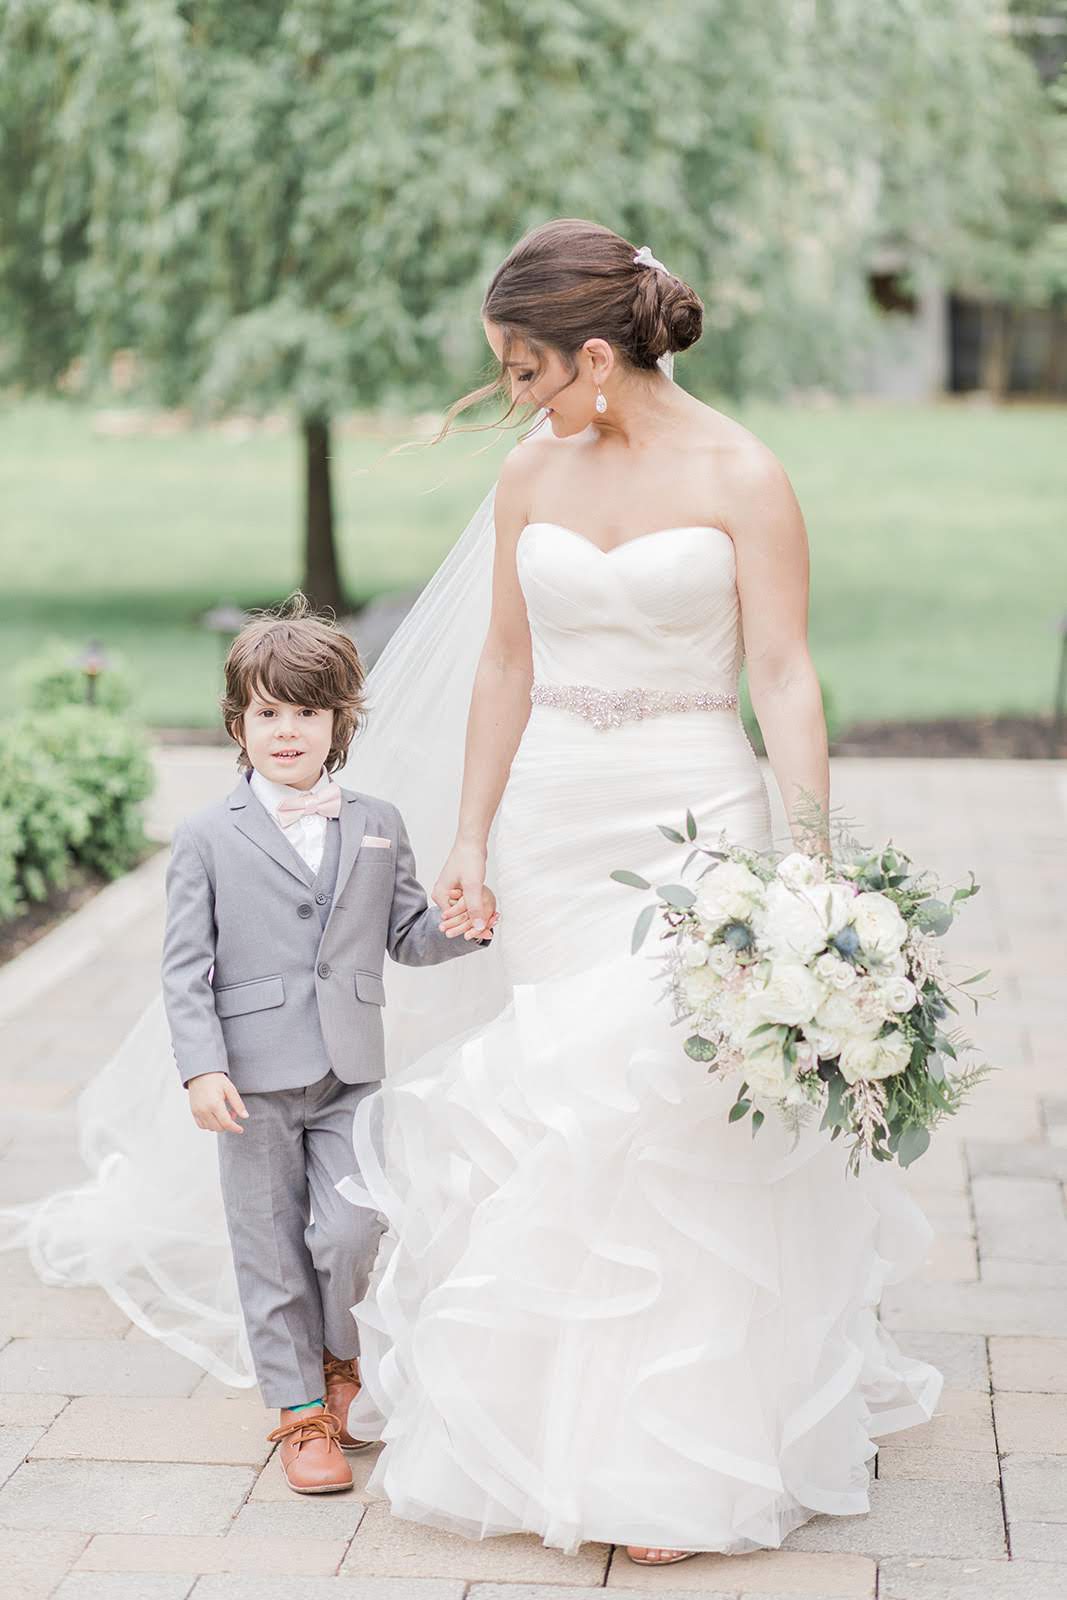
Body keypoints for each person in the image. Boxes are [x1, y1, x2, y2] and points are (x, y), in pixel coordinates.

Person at [336, 219, 942, 1562]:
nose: (514, 396)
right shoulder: (529, 482)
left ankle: (676, 1447)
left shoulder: (741, 472)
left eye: (520, 369)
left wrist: (808, 856)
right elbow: (502, 662)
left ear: (594, 356)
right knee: (560, 1105)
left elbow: (780, 672)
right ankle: (556, 1417)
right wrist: (471, 835)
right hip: (554, 827)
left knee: (658, 1084)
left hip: (687, 832)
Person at [161, 600, 497, 1493]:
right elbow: (184, 968)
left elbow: (408, 936)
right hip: (251, 1078)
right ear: (239, 723)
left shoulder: (377, 821)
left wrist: (464, 925)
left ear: (339, 723)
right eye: (267, 712)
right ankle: (299, 1411)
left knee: (350, 1228)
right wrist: (201, 1067)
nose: (286, 731)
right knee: (268, 1243)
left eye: (306, 713)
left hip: (350, 1071)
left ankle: (342, 1362)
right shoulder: (205, 837)